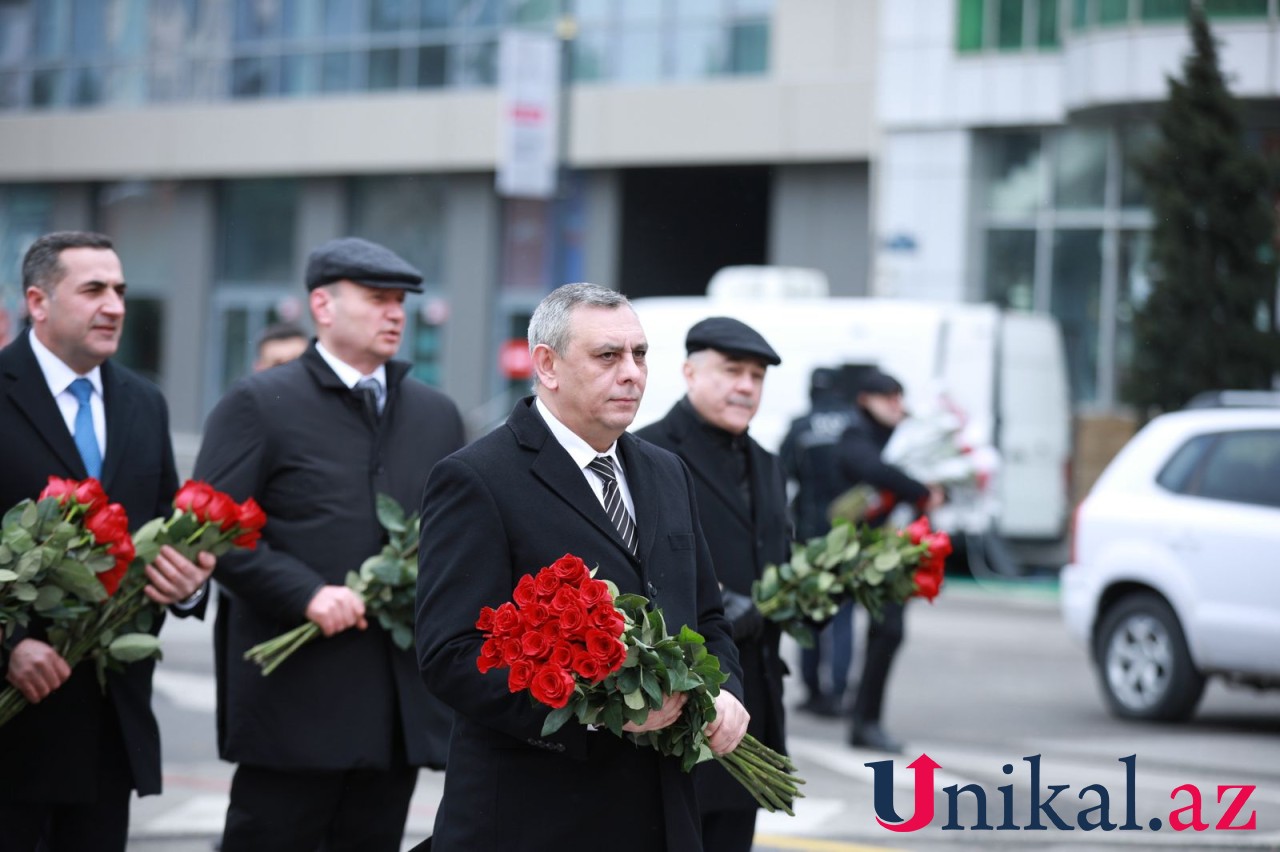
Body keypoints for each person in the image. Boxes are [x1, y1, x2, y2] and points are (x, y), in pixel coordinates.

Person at [415, 283, 749, 852]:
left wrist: (723, 691)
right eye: (608, 356)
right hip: (536, 815)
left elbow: (707, 615)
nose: (632, 373)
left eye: (640, 355)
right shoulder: (477, 478)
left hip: (663, 812)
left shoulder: (668, 472)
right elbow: (451, 654)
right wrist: (600, 711)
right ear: (547, 365)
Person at [193, 237, 466, 852]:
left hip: (393, 709)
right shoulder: (259, 403)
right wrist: (305, 593)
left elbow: (454, 539)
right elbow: (212, 532)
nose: (396, 313)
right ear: (322, 305)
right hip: (295, 702)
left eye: (400, 302)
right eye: (377, 299)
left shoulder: (436, 415)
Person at [0, 230, 216, 852]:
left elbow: (162, 531)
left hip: (107, 728)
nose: (116, 305)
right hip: (15, 723)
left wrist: (184, 587)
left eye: (120, 290)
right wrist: (9, 644)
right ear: (37, 302)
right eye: (93, 289)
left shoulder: (143, 403)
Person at [634, 316, 790, 852]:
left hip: (753, 705)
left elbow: (775, 554)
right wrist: (722, 605)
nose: (746, 386)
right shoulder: (647, 454)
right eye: (731, 371)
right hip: (685, 706)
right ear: (689, 372)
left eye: (756, 376)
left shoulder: (767, 463)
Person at [835, 368, 944, 754]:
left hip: (865, 548)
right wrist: (919, 490)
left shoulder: (887, 435)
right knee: (883, 631)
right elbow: (871, 470)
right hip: (839, 548)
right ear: (866, 399)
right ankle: (861, 719)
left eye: (900, 398)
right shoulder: (855, 432)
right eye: (889, 398)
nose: (898, 407)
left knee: (888, 630)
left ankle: (863, 718)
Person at [778, 366, 859, 719]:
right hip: (850, 533)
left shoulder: (801, 426)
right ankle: (839, 691)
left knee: (811, 614)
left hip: (811, 534)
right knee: (843, 615)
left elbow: (781, 473)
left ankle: (812, 690)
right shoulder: (855, 424)